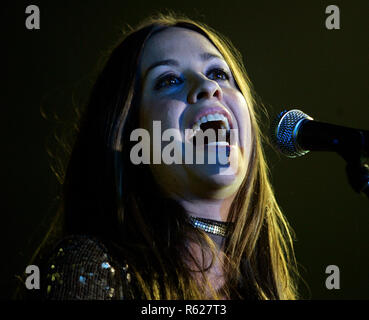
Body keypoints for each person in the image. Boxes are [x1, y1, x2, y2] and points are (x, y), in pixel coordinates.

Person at [24, 13, 300, 300]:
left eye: (218, 73)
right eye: (169, 80)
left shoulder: (264, 288)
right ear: (129, 136)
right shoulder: (87, 266)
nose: (208, 86)